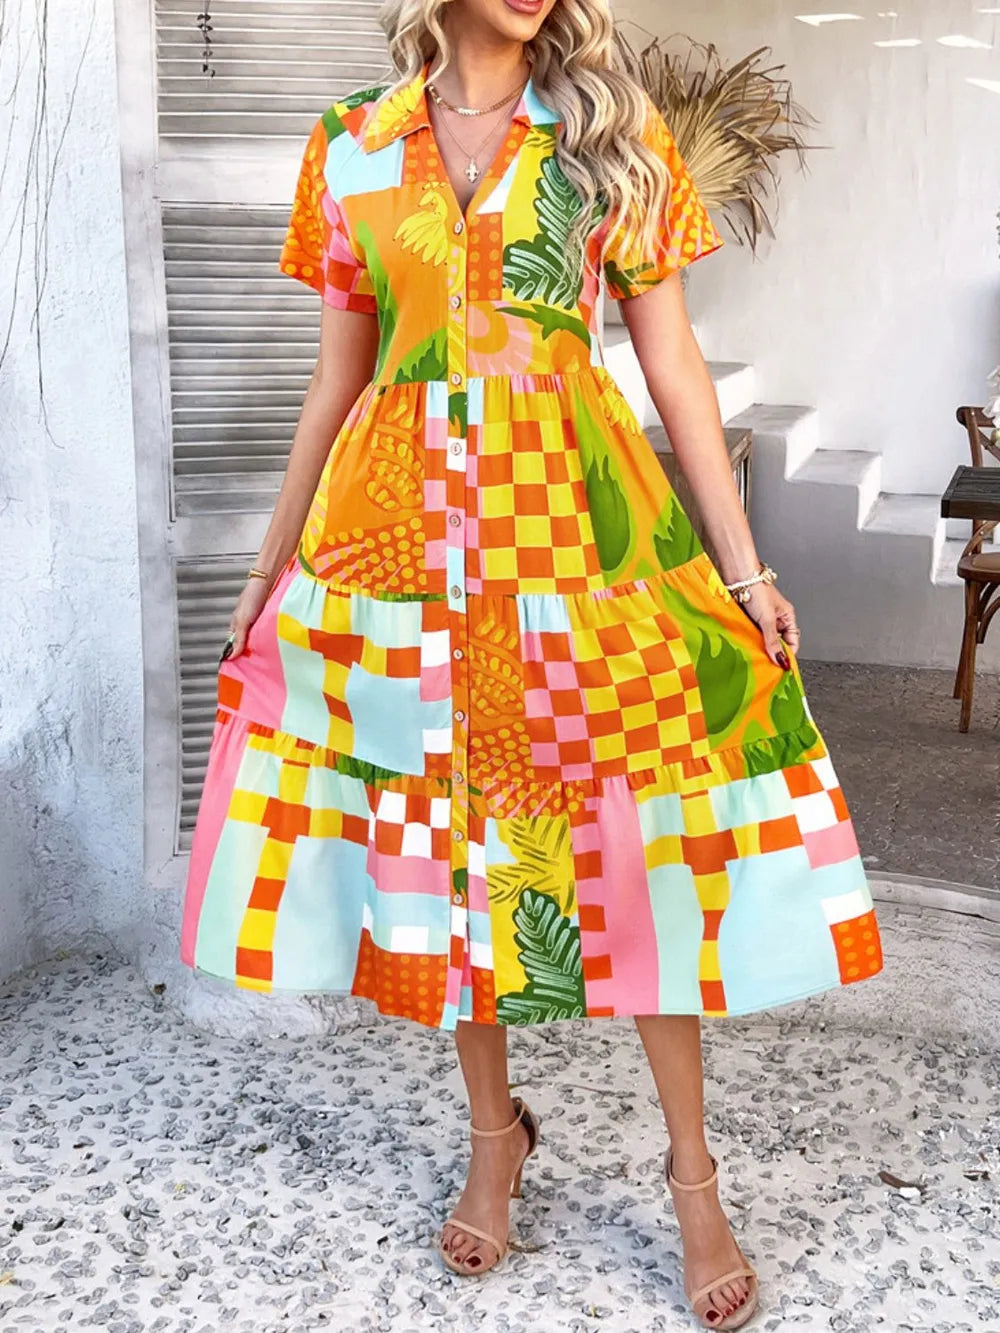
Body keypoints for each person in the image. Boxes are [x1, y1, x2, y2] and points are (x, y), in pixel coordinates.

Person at [180, 1, 885, 1326]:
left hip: (581, 544)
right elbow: (337, 381)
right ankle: (494, 1139)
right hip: (400, 559)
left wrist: (746, 573)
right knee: (460, 852)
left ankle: (692, 1176)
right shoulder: (351, 143)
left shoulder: (611, 132)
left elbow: (672, 363)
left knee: (638, 845)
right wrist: (267, 571)